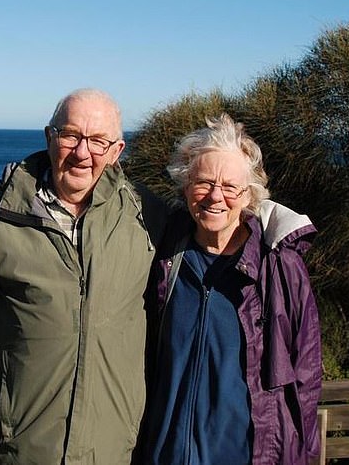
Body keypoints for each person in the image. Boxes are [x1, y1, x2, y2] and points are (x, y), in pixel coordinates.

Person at [0, 88, 166, 464]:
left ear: (117, 151)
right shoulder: (1, 216)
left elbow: (214, 230)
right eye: (71, 135)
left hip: (114, 448)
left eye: (97, 141)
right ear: (49, 136)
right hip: (21, 447)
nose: (82, 153)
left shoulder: (147, 217)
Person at [143, 114, 322, 464]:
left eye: (230, 187)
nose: (215, 197)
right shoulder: (163, 257)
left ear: (249, 195)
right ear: (184, 186)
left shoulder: (280, 269)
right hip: (166, 454)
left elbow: (306, 378)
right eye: (204, 182)